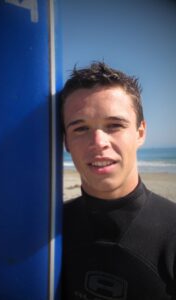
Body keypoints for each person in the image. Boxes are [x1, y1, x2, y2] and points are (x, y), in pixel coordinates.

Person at [61, 62, 176, 300]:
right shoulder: (49, 228)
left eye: (114, 125)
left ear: (140, 132)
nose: (98, 142)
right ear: (66, 143)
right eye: (80, 128)